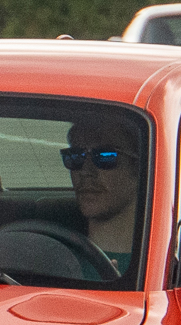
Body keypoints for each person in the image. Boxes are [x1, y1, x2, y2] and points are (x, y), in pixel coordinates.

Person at [63, 117, 146, 278]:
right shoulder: (49, 258)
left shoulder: (162, 269)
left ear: (140, 167)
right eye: (75, 156)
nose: (86, 171)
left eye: (105, 156)